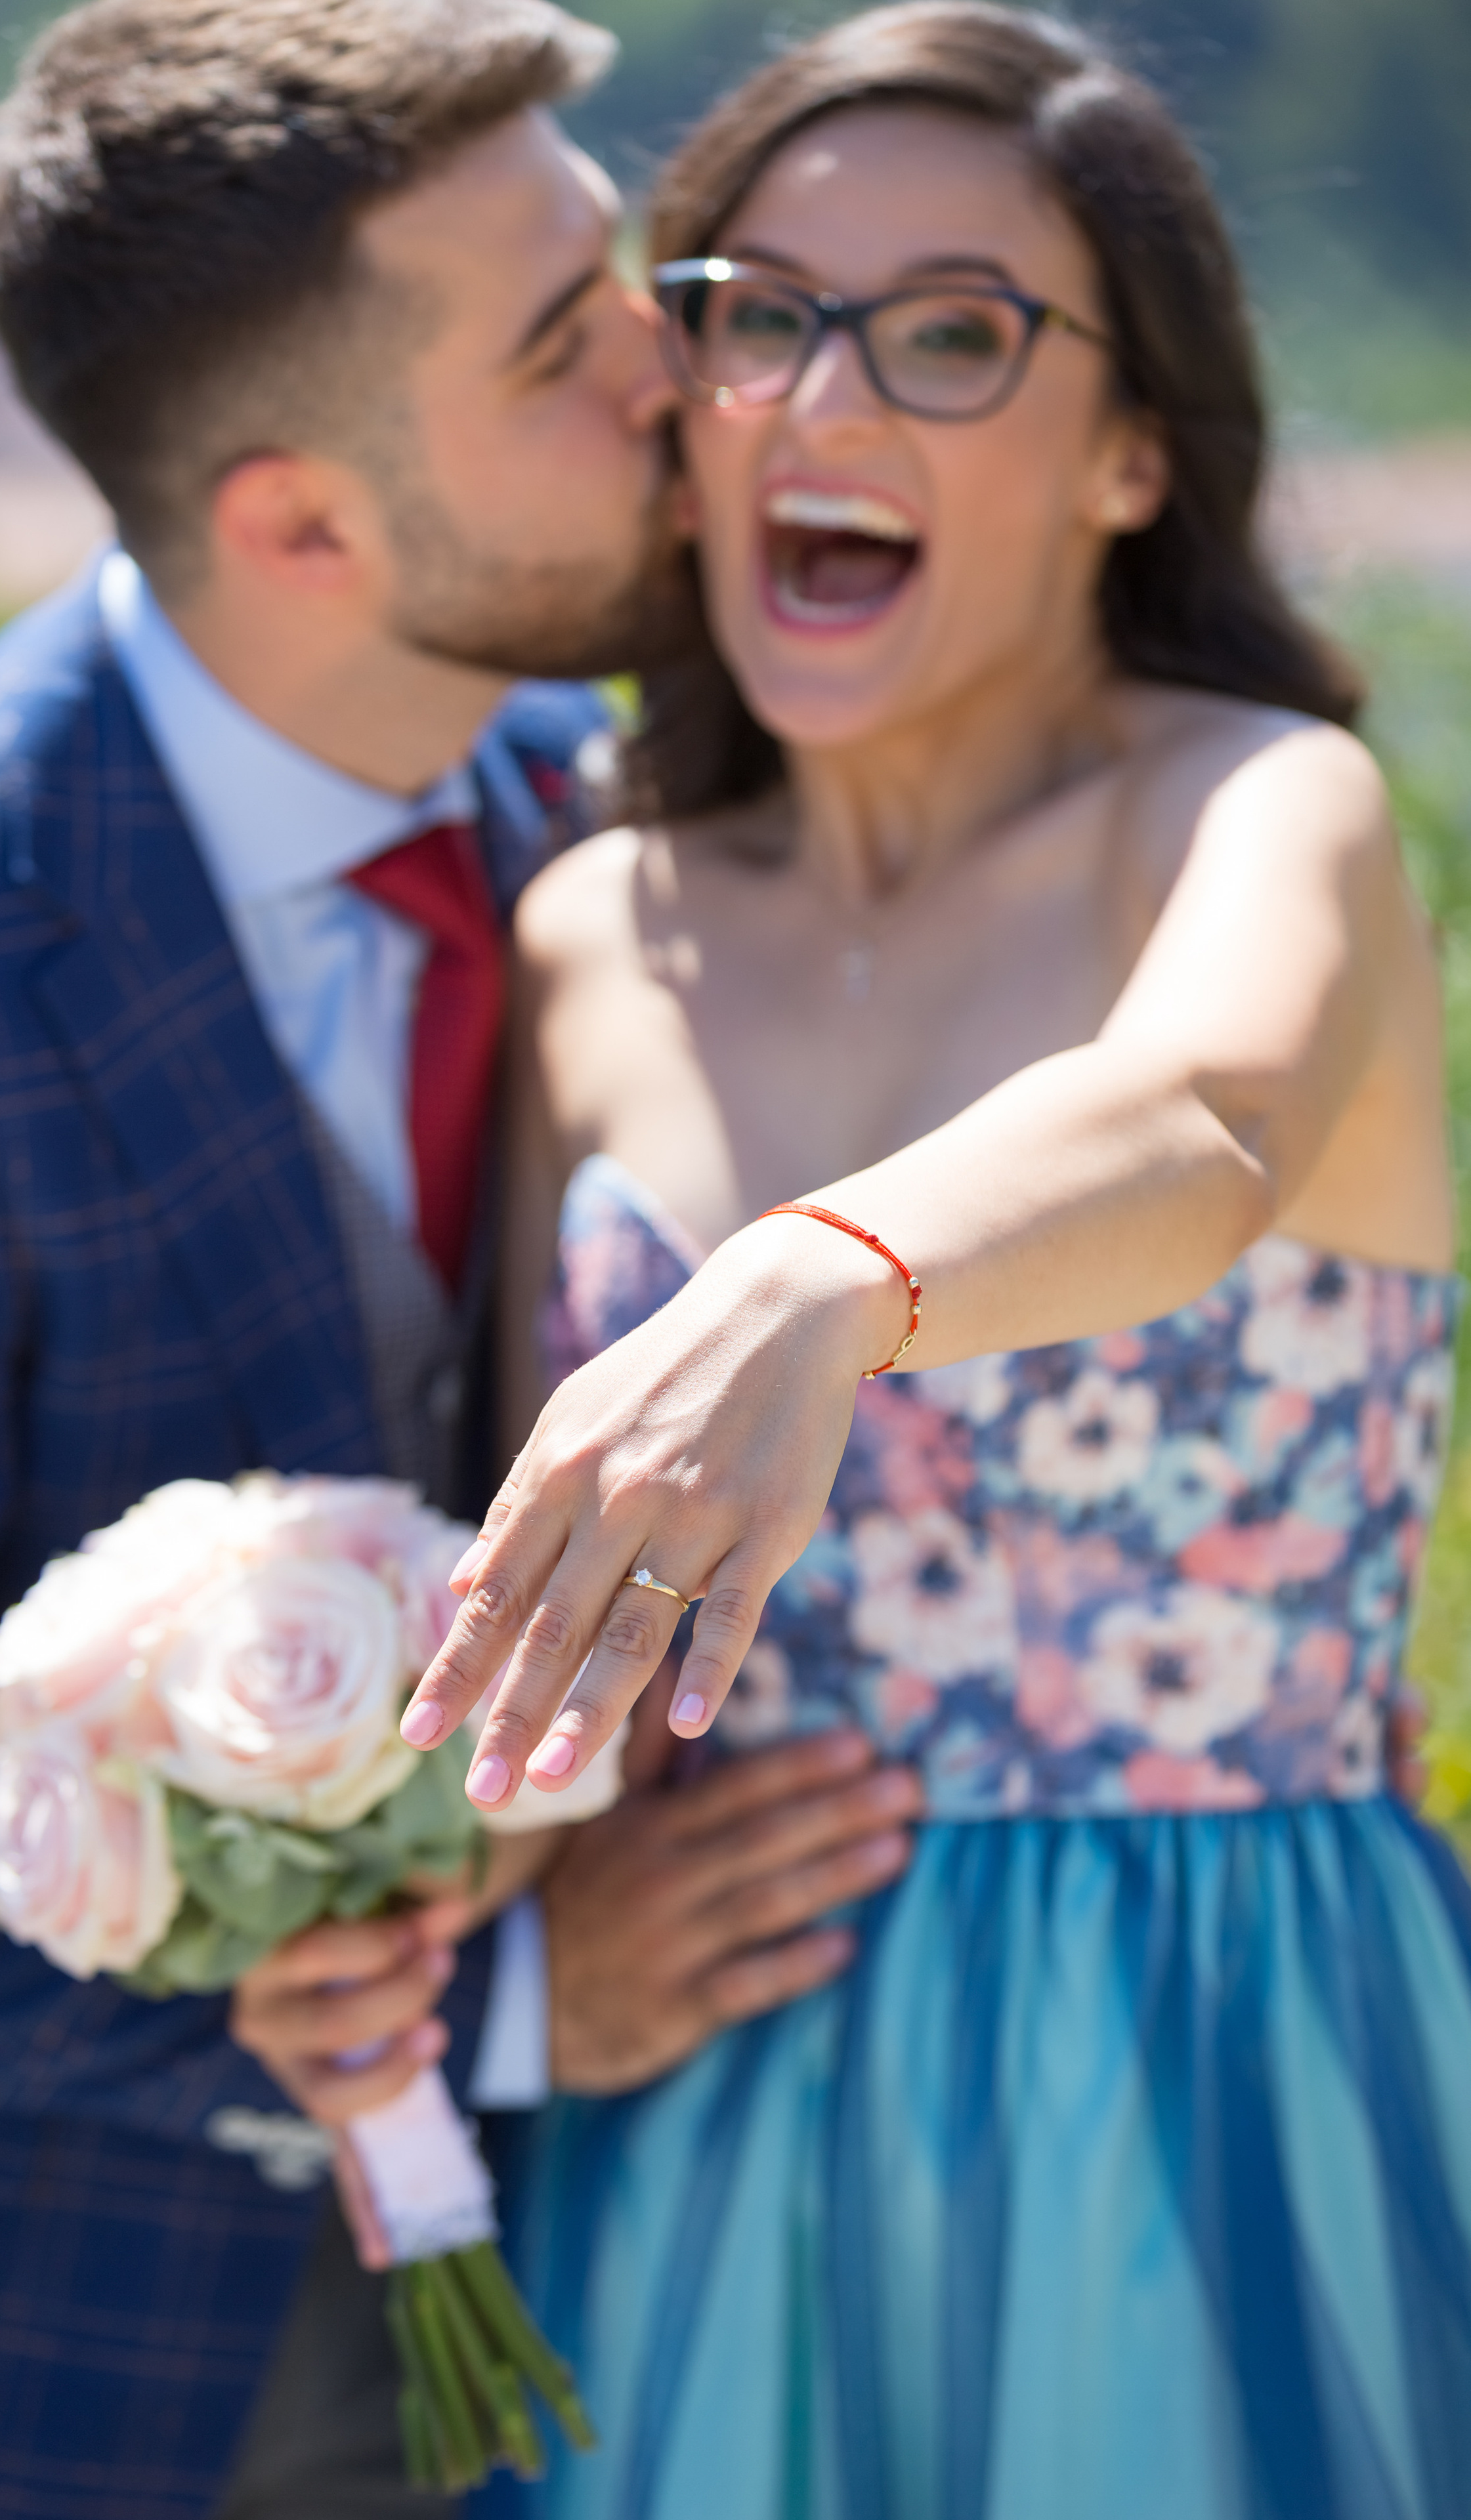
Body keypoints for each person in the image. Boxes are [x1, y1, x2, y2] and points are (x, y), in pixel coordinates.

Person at [0, 6, 923, 2516]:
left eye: (626, 275)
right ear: (305, 526)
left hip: (638, 2314)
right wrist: (508, 1992)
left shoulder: (594, 804)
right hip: (54, 2392)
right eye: (565, 342)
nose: (680, 363)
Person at [418, 9, 1471, 2513]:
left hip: (1221, 2067)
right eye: (756, 311)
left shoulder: (1263, 811)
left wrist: (821, 1270)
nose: (815, 395)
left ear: (1134, 454)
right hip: (706, 2123)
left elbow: (1203, 1117)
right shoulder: (581, 925)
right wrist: (515, 1949)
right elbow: (520, 1599)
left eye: (953, 332)